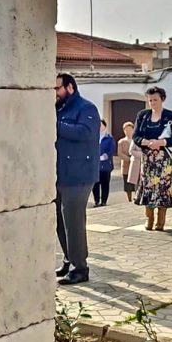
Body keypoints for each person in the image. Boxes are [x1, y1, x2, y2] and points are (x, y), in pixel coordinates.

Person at [55, 73, 100, 286]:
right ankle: (68, 259)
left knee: (73, 222)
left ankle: (80, 268)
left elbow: (86, 133)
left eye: (57, 89)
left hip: (79, 175)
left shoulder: (86, 108)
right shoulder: (58, 108)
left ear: (70, 87)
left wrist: (54, 125)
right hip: (60, 173)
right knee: (59, 222)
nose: (54, 93)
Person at [132, 86, 172, 231]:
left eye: (155, 100)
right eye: (150, 100)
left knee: (163, 188)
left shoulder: (171, 116)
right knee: (148, 187)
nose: (153, 103)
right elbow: (136, 136)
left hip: (164, 158)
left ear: (162, 99)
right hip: (148, 159)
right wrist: (147, 143)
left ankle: (160, 221)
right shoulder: (142, 115)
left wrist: (161, 142)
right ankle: (149, 218)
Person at [92, 119, 115, 207]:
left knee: (105, 184)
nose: (99, 126)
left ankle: (104, 201)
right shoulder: (93, 136)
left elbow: (111, 150)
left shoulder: (109, 137)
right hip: (95, 165)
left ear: (105, 126)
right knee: (95, 184)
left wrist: (104, 157)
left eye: (101, 125)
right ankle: (96, 201)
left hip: (105, 165)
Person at [116, 121, 136, 202]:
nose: (128, 132)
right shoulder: (121, 141)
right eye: (126, 130)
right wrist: (129, 159)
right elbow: (119, 153)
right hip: (126, 166)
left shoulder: (136, 140)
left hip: (136, 165)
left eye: (130, 130)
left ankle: (137, 197)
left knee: (136, 182)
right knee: (127, 184)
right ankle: (129, 199)